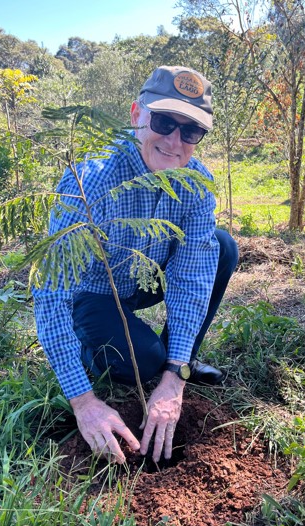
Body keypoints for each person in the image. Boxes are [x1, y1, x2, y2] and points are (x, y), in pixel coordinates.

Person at [33, 65, 238, 464]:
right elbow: (51, 290)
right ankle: (95, 354)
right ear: (135, 115)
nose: (174, 140)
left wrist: (174, 376)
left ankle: (181, 362)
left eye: (190, 131)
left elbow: (192, 277)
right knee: (142, 360)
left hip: (147, 279)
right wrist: (83, 401)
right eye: (163, 122)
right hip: (94, 293)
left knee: (222, 247)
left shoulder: (197, 182)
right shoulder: (92, 178)